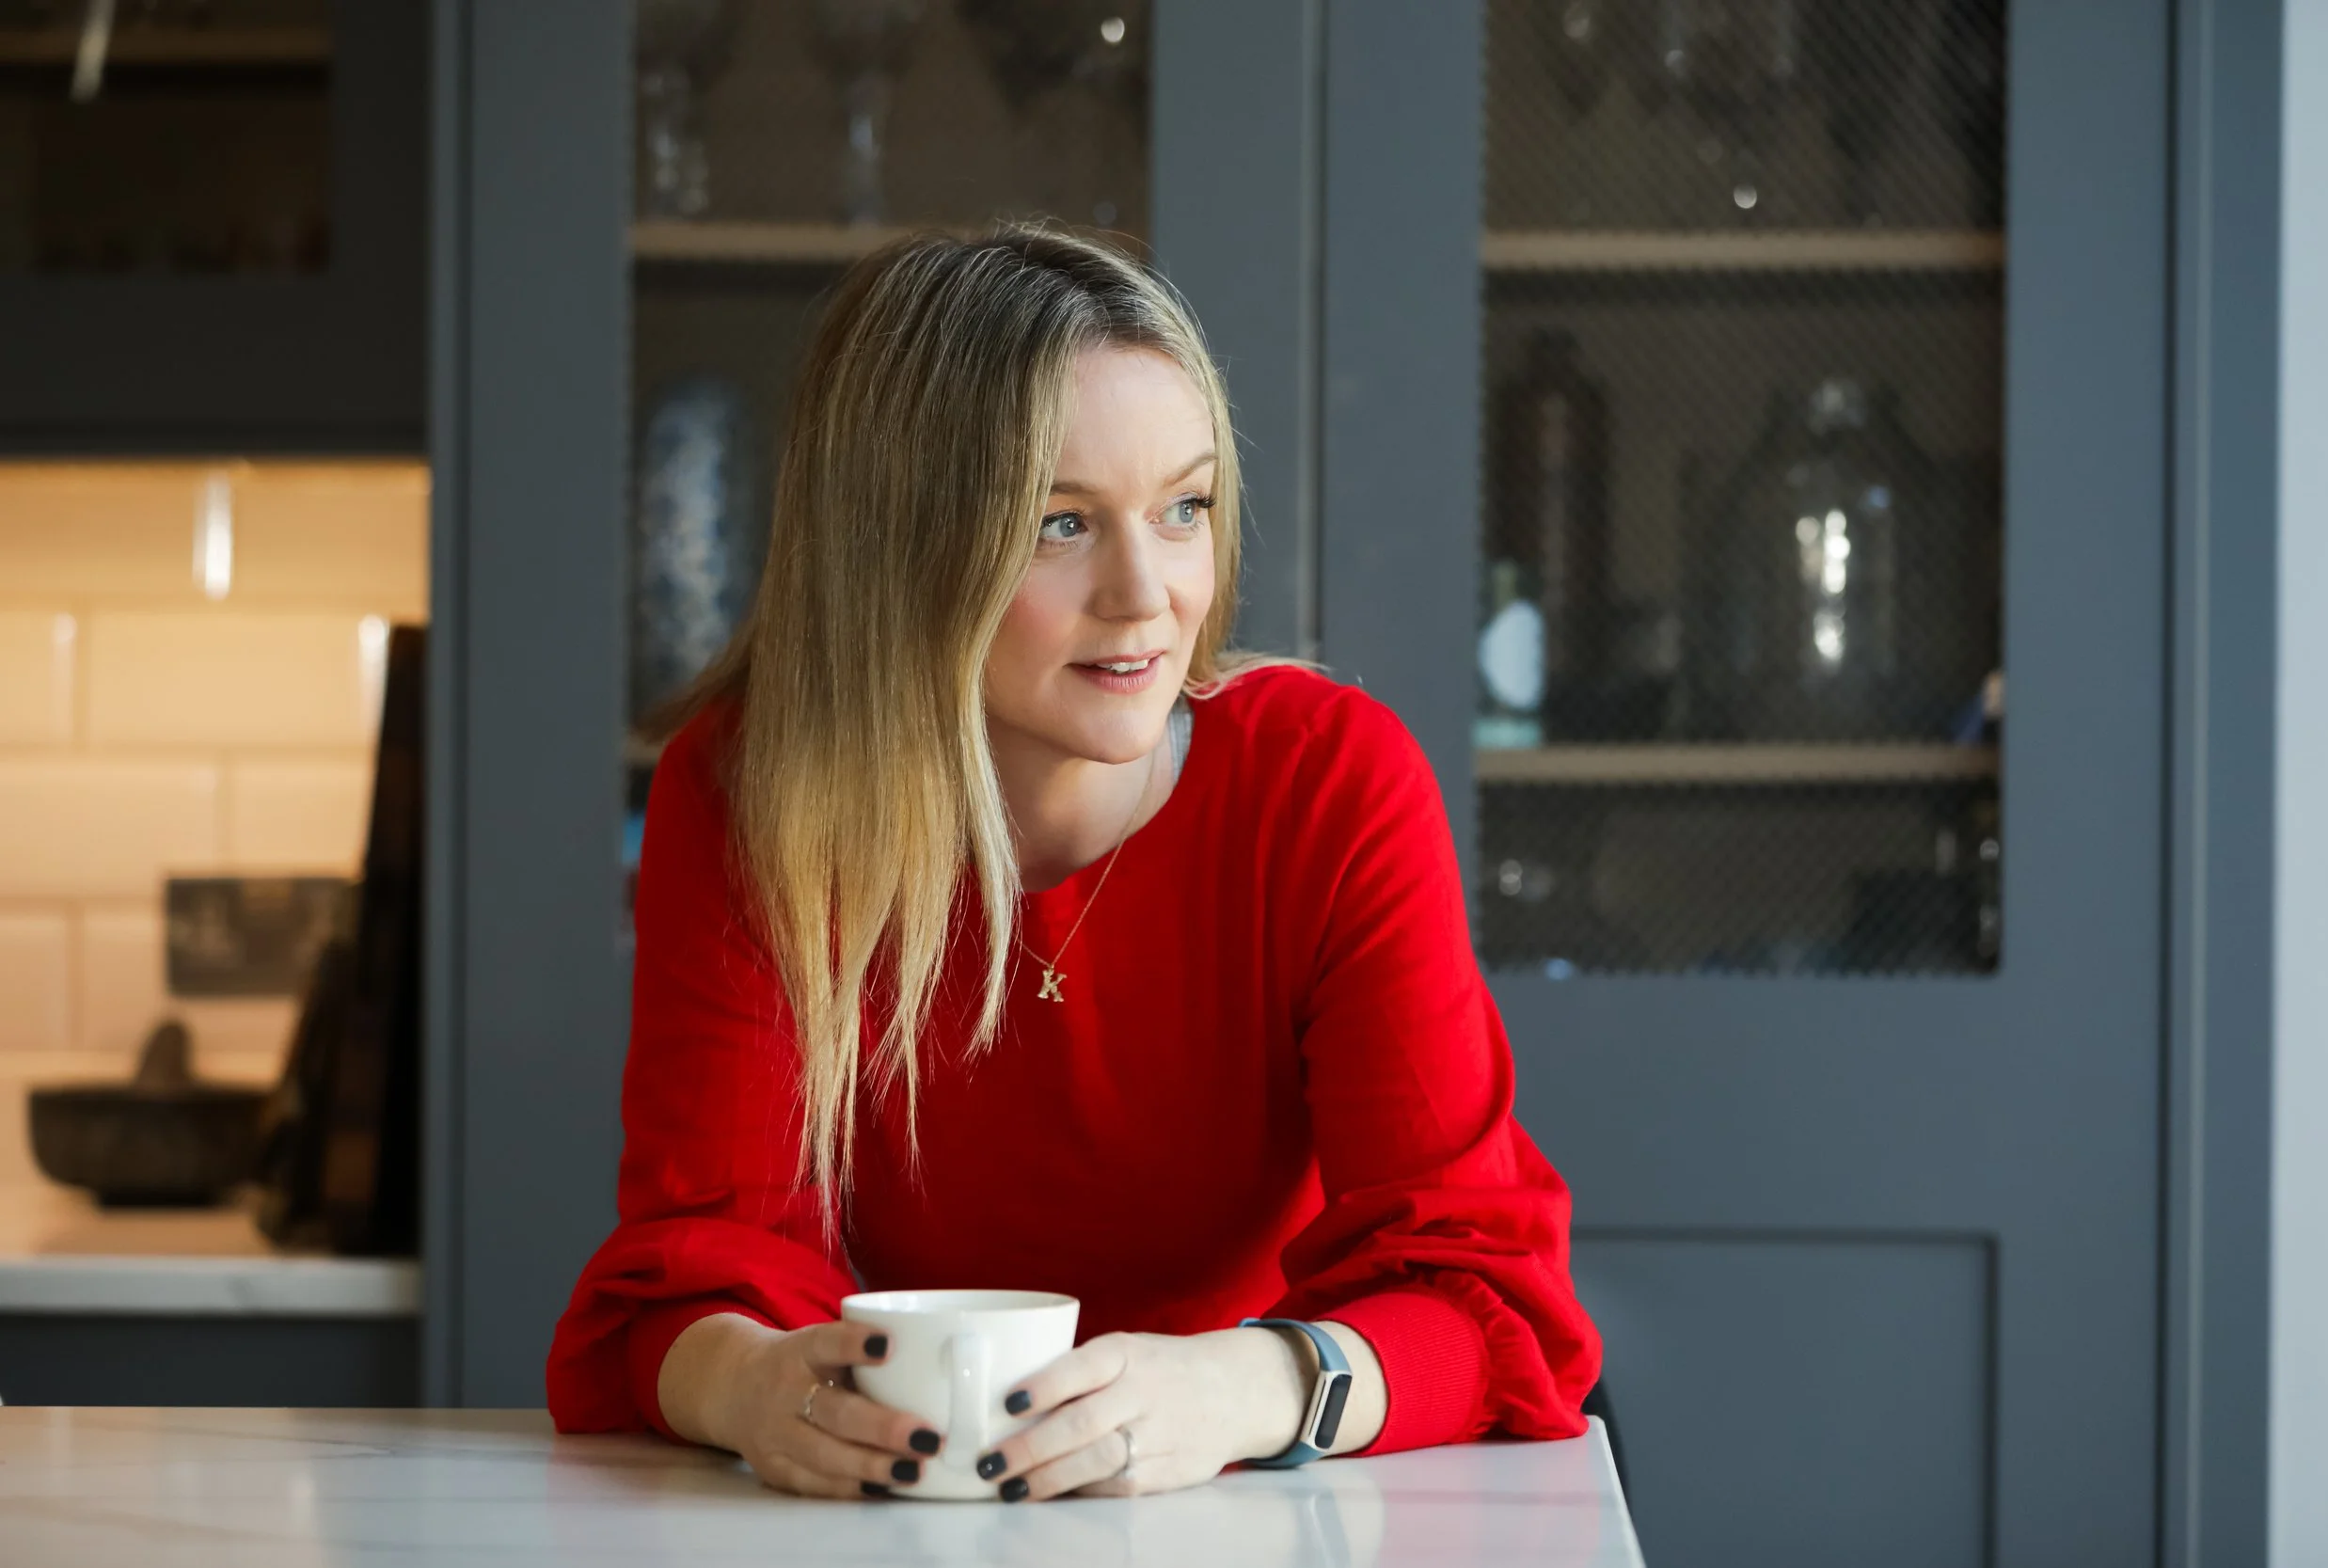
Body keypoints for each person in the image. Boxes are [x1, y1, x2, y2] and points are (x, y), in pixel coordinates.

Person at [546, 226, 1602, 1502]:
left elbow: (1484, 1298)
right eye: (1061, 523)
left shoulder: (1330, 784)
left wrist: (1244, 1388)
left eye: (1184, 508)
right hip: (901, 1515)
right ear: (897, 547)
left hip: (1252, 1503)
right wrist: (756, 1386)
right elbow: (695, 1271)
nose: (1148, 593)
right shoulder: (745, 796)